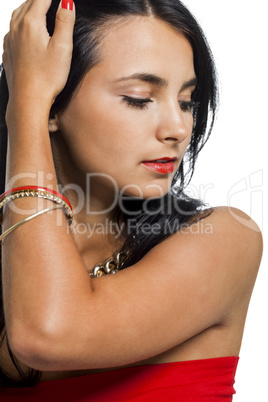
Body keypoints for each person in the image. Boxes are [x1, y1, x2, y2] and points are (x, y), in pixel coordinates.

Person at [0, 0, 263, 400]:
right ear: (54, 102)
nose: (178, 128)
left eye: (187, 102)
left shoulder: (225, 240)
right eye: (140, 98)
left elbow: (48, 332)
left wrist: (25, 109)